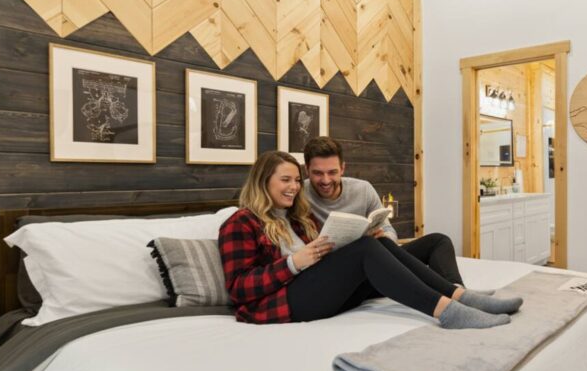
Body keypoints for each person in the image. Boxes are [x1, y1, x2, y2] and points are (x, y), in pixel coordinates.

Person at [218, 151, 522, 328]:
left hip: (317, 290)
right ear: (263, 181)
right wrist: (294, 263)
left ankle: (460, 297)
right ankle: (449, 312)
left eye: (297, 180)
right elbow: (239, 289)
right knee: (365, 249)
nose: (295, 187)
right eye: (286, 180)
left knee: (379, 243)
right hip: (283, 303)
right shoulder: (240, 222)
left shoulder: (299, 217)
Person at [301, 137, 467, 287]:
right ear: (307, 169)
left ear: (342, 168)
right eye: (317, 173)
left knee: (439, 241)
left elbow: (388, 229)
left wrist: (385, 238)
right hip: (341, 270)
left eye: (332, 172)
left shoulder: (363, 189)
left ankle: (457, 290)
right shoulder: (299, 195)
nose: (325, 180)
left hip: (375, 259)